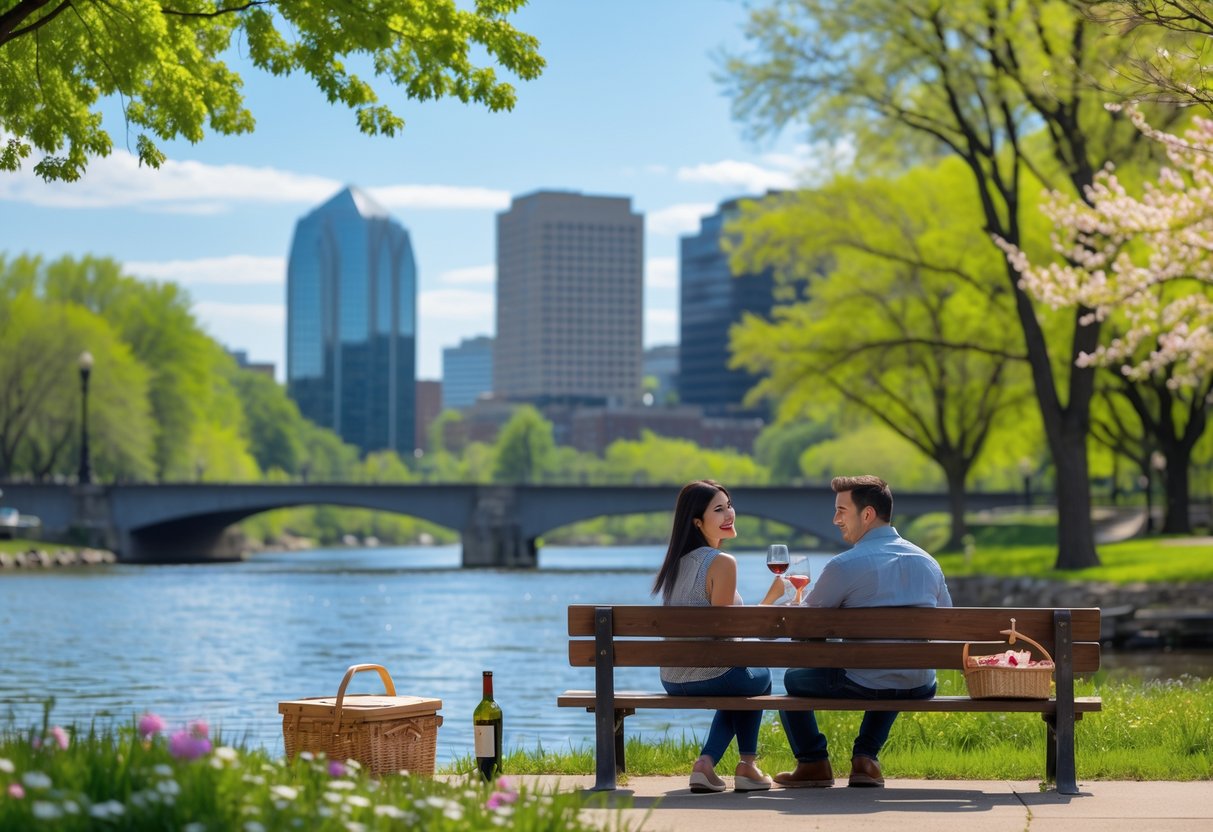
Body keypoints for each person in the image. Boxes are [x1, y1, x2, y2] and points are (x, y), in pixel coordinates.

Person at [772, 475, 952, 790]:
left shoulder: (844, 565)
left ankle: (812, 761)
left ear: (867, 514)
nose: (834, 519)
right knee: (892, 668)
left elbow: (804, 627)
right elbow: (947, 623)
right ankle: (865, 758)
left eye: (841, 510)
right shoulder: (929, 563)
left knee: (793, 679)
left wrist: (792, 602)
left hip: (866, 681)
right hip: (921, 683)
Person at [652, 479, 773, 794]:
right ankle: (745, 766)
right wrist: (769, 606)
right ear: (697, 522)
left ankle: (708, 764)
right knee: (760, 677)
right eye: (718, 509)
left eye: (729, 505)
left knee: (741, 680)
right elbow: (726, 635)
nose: (729, 513)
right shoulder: (722, 563)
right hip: (709, 674)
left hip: (672, 677)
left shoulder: (674, 565)